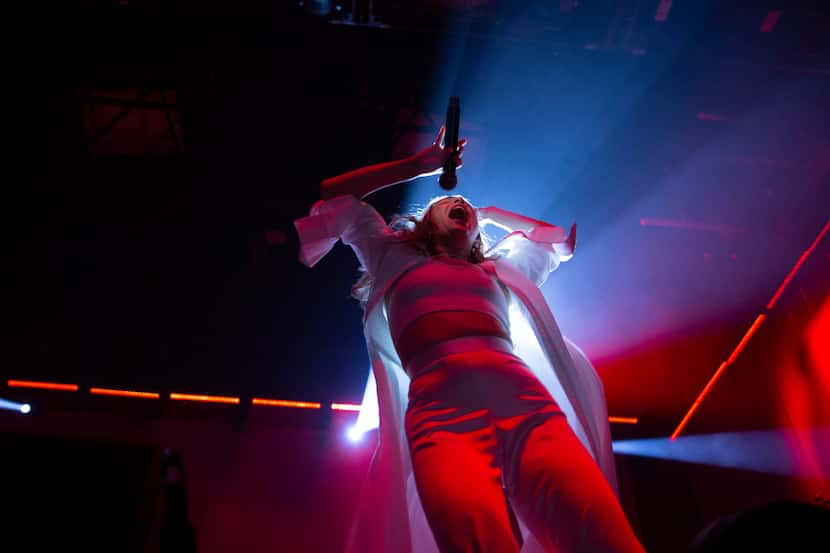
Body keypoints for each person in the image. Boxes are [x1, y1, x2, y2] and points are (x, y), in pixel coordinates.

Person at [294, 128, 645, 553]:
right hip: (440, 414)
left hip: (524, 403)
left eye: (468, 209)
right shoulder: (391, 254)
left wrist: (493, 213)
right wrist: (417, 166)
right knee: (471, 538)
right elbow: (335, 196)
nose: (462, 205)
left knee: (598, 531)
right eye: (449, 204)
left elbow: (554, 239)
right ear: (425, 220)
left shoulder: (499, 272)